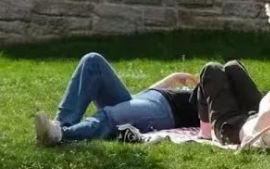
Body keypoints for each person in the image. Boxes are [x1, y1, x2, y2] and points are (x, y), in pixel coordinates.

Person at [34, 52, 199, 146]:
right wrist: (172, 78)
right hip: (146, 98)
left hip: (165, 112)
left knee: (111, 116)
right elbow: (151, 94)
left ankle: (63, 134)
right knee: (92, 61)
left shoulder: (219, 101)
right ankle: (60, 124)